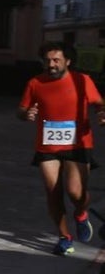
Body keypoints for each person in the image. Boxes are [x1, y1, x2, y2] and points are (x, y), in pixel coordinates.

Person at [17, 41, 105, 257]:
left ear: (67, 61)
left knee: (76, 192)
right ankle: (64, 237)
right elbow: (21, 109)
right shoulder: (35, 82)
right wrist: (26, 114)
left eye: (56, 60)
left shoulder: (82, 80)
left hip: (78, 143)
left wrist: (102, 113)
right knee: (52, 190)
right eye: (47, 60)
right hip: (48, 145)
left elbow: (99, 103)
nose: (51, 64)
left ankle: (81, 213)